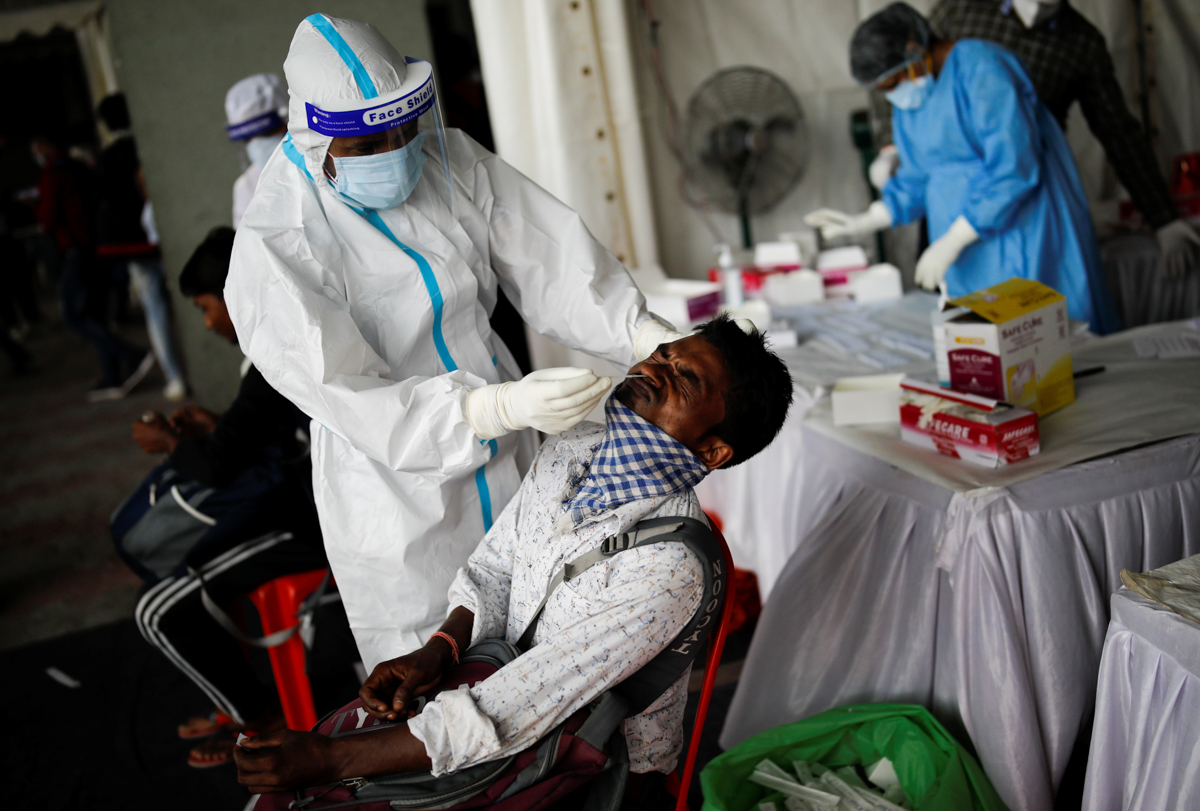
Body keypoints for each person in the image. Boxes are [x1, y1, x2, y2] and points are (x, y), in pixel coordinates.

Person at [224, 14, 684, 674]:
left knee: (554, 652)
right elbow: (348, 394)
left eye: (403, 127)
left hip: (516, 450)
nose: (396, 149)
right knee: (447, 694)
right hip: (401, 492)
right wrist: (484, 410)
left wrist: (638, 329)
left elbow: (546, 253)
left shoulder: (444, 157)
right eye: (369, 141)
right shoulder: (278, 242)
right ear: (315, 138)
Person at [233, 315, 795, 803]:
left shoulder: (671, 565)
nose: (652, 368)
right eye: (663, 354)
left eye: (684, 379)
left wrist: (334, 759)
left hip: (588, 768)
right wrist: (441, 648)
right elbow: (497, 566)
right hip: (495, 703)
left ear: (713, 451)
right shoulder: (572, 446)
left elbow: (518, 710)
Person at [133, 227, 327, 769]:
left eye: (205, 307)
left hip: (309, 525)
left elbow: (218, 467)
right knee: (183, 577)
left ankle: (261, 722)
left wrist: (170, 443)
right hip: (304, 507)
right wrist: (216, 428)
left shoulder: (273, 355)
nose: (208, 322)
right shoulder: (282, 344)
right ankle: (246, 707)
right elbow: (274, 438)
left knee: (158, 610)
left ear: (233, 293)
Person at [806, 2, 1121, 334]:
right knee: (985, 345)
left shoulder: (983, 68)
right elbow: (917, 175)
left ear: (914, 52)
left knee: (1045, 337)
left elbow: (1013, 168)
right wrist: (870, 218)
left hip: (1024, 228)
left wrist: (956, 237)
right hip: (966, 246)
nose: (892, 96)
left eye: (892, 83)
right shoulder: (913, 99)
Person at [916, 0, 1199, 278]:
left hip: (1029, 200)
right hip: (951, 191)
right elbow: (898, 63)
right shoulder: (961, 10)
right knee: (946, 297)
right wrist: (890, 145)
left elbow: (1118, 132)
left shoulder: (1080, 41)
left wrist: (1164, 218)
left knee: (1035, 307)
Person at [31, 134, 154, 399]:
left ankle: (131, 355)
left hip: (77, 250)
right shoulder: (79, 167)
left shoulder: (55, 173)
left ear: (43, 145)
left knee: (75, 316)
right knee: (95, 314)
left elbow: (48, 217)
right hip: (97, 248)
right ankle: (113, 376)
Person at [94, 92, 188, 400]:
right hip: (163, 239)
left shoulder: (106, 157)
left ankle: (175, 377)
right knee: (188, 300)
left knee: (155, 312)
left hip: (132, 248)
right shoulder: (146, 147)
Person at [226, 74, 289, 228]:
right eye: (248, 139)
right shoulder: (246, 187)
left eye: (266, 133)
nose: (257, 144)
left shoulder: (324, 162)